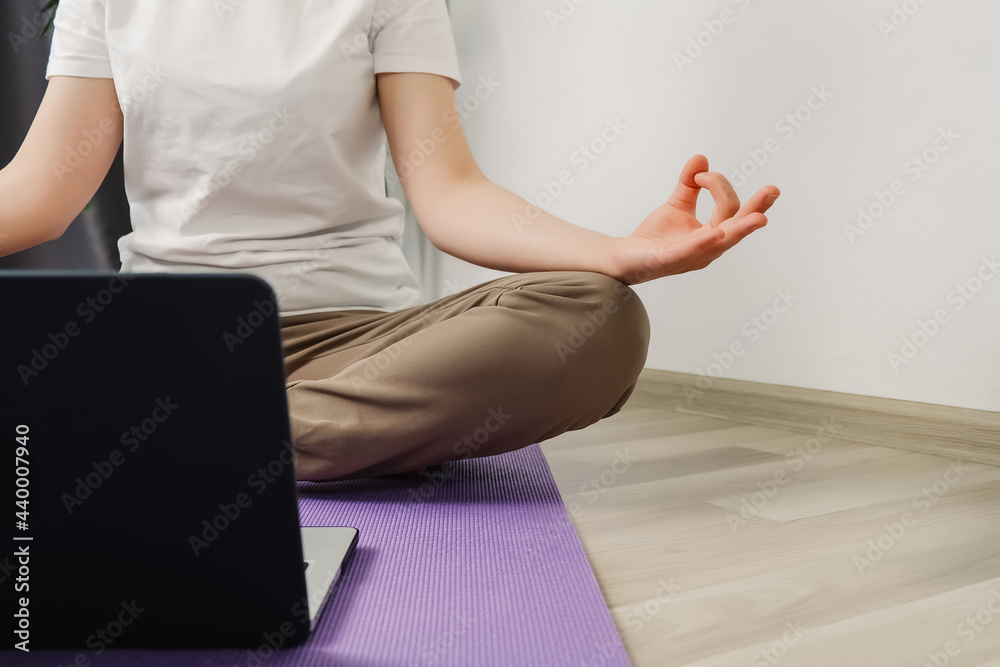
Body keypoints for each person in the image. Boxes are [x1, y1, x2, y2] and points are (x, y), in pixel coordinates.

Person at [0, 0, 779, 482]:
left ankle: (161, 437)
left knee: (598, 317)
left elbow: (449, 193)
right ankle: (276, 438)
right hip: (172, 341)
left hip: (363, 344)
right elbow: (39, 194)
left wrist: (615, 253)